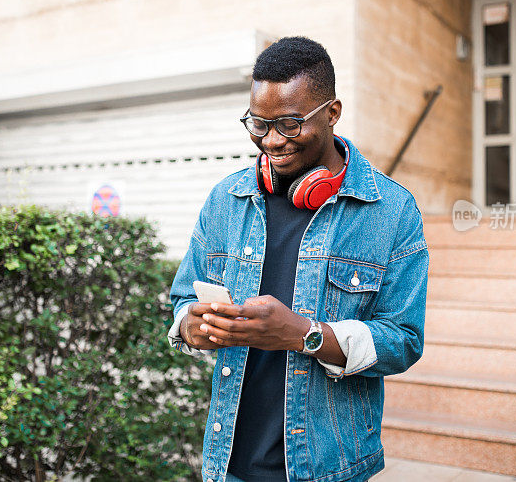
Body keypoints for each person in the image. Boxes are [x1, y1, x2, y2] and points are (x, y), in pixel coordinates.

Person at [167, 36, 428, 482]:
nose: (271, 141)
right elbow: (182, 299)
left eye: (289, 124)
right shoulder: (225, 200)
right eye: (258, 124)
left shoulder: (392, 210)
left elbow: (402, 340)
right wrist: (191, 325)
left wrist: (304, 335)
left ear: (332, 112)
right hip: (227, 463)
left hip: (327, 469)